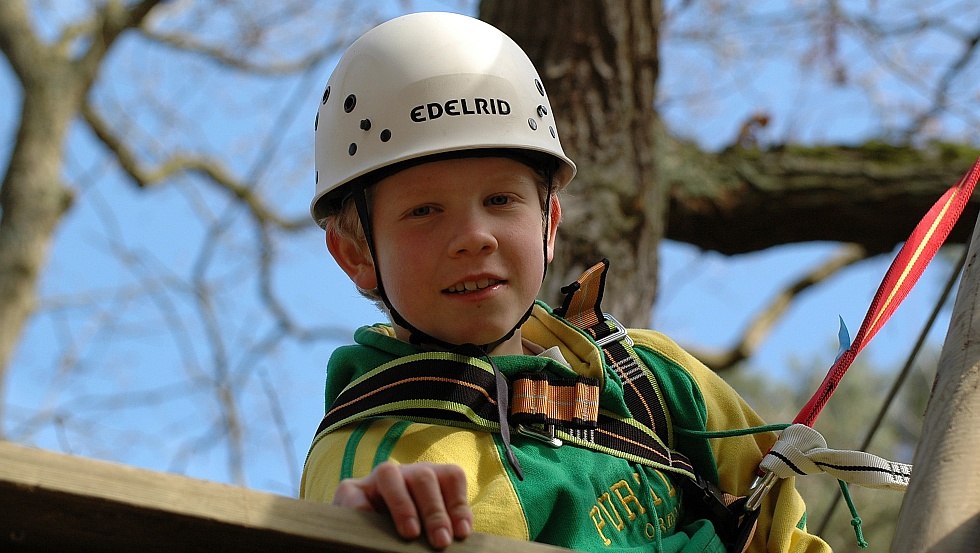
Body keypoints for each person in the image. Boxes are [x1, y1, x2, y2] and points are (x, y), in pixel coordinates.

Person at [300, 11, 831, 553]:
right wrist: (362, 525)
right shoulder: (372, 451)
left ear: (549, 225)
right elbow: (339, 509)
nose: (474, 237)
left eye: (500, 200)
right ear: (356, 253)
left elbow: (782, 530)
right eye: (424, 211)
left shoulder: (653, 380)